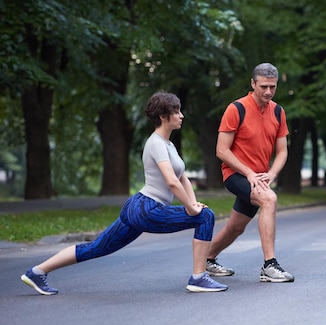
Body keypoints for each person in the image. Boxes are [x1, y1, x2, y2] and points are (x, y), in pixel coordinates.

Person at [20, 91, 227, 295]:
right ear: (163, 117)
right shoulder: (155, 143)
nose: (181, 115)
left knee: (96, 248)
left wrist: (194, 203)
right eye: (177, 111)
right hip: (147, 209)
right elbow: (172, 182)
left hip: (137, 207)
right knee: (205, 217)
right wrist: (191, 209)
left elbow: (182, 178)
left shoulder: (169, 145)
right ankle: (199, 278)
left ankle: (37, 272)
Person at [205, 62, 294, 283]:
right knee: (269, 199)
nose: (268, 92)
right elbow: (221, 150)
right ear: (253, 83)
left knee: (236, 227)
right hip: (236, 174)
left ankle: (206, 259)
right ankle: (269, 265)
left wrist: (271, 173)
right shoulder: (236, 109)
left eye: (272, 87)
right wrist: (250, 173)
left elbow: (282, 151)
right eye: (263, 86)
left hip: (260, 178)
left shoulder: (278, 111)